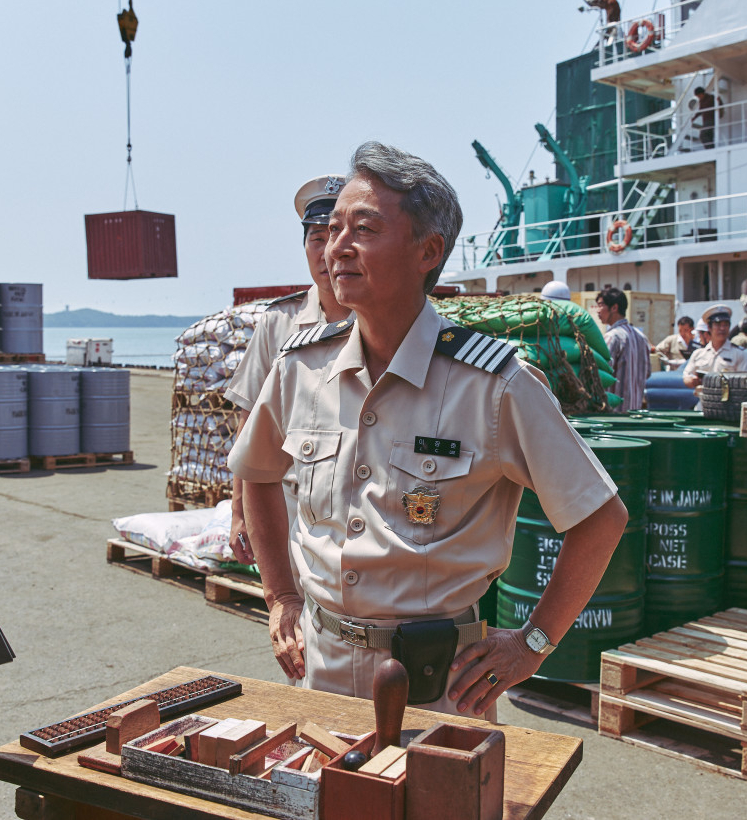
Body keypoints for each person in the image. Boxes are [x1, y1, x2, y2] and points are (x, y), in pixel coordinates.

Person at [229, 141, 628, 719]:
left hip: (441, 686)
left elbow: (600, 517)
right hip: (321, 673)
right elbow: (257, 474)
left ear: (428, 251)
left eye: (363, 229)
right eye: (332, 229)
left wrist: (533, 643)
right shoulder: (301, 367)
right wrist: (280, 596)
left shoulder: (494, 385)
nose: (336, 247)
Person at [225, 175, 351, 565]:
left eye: (335, 235)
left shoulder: (382, 323)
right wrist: (239, 513)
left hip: (358, 507)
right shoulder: (280, 323)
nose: (327, 251)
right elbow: (250, 426)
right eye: (316, 239)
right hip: (289, 510)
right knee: (287, 614)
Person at [595, 287, 651, 411]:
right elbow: (647, 373)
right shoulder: (641, 337)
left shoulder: (613, 337)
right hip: (635, 411)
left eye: (600, 305)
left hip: (615, 413)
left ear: (614, 308)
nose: (597, 311)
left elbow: (600, 373)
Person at [683, 304, 747, 406]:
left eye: (726, 325)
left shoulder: (739, 354)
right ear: (709, 328)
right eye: (718, 325)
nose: (722, 328)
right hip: (703, 405)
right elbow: (686, 377)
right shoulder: (699, 354)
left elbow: (746, 383)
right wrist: (692, 381)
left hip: (728, 406)